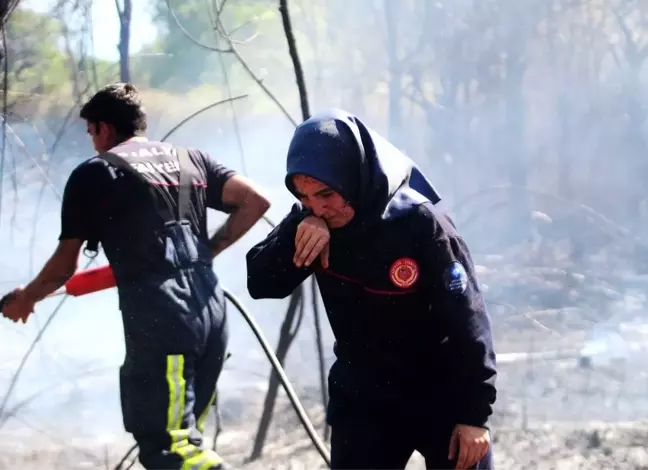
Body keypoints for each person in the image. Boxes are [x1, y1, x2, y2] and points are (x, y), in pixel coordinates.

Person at [1, 83, 271, 470]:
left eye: (91, 132)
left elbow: (64, 267)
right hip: (212, 311)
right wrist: (206, 253)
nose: (92, 142)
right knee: (187, 438)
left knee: (171, 449)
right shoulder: (190, 158)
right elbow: (255, 200)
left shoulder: (94, 174)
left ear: (104, 128)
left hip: (163, 321)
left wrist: (27, 297)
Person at [246, 109, 497, 470]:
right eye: (304, 196)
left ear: (354, 178)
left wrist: (476, 413)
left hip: (441, 392)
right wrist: (296, 230)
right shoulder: (311, 220)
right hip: (364, 399)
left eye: (326, 194)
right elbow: (261, 283)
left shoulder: (420, 224)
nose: (318, 206)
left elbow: (468, 319)